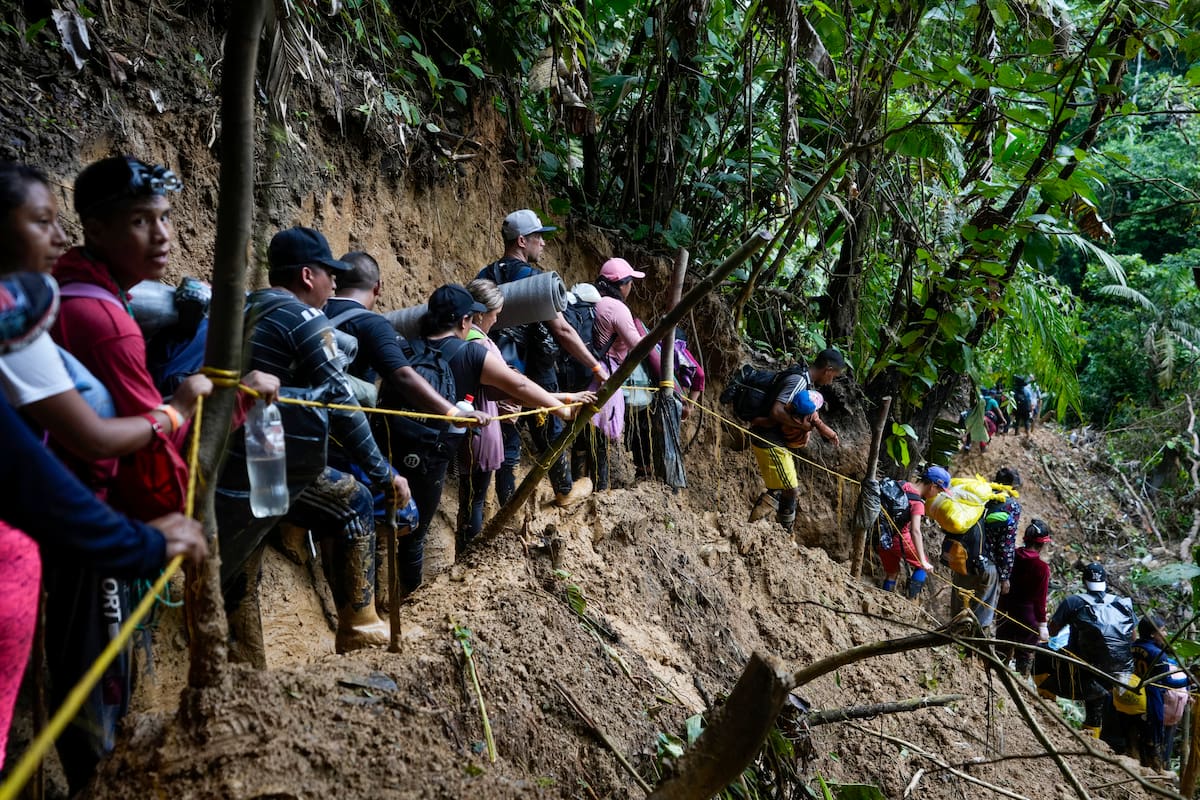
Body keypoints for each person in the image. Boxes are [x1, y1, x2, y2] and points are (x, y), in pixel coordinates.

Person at [0, 269, 207, 769]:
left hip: (82, 534)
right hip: (91, 535)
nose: (160, 233)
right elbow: (85, 443)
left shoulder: (53, 310)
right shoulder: (100, 320)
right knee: (97, 690)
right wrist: (176, 414)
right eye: (142, 219)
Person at [216, 226, 409, 664]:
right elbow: (341, 401)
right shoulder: (303, 319)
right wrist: (384, 475)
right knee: (353, 501)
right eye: (329, 274)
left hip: (224, 462)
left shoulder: (242, 310)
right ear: (307, 275)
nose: (334, 283)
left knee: (241, 565)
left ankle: (247, 669)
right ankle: (359, 625)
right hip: (273, 461)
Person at [374, 284, 594, 593]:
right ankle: (407, 599)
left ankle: (372, 596)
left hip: (387, 444)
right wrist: (560, 411)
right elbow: (516, 385)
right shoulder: (471, 352)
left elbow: (500, 392)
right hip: (429, 455)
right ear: (465, 321)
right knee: (415, 533)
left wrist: (562, 397)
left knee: (378, 520)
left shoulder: (408, 347)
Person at [477, 209, 608, 507]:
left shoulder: (485, 275)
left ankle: (504, 508)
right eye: (538, 237)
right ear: (522, 241)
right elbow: (562, 330)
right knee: (550, 426)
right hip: (533, 365)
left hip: (493, 364)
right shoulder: (534, 281)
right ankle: (563, 490)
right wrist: (595, 366)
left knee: (508, 435)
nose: (543, 243)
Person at [747, 349, 844, 531]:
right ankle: (781, 532)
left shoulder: (804, 381)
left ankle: (762, 531)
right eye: (834, 376)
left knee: (781, 488)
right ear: (828, 370)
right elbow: (776, 411)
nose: (831, 381)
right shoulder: (799, 381)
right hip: (769, 439)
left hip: (774, 439)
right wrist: (802, 427)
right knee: (790, 488)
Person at [1038, 563, 1136, 739]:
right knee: (1095, 706)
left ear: (1084, 581)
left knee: (1040, 653)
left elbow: (1052, 632)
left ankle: (1044, 704)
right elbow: (1133, 637)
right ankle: (1092, 740)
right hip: (1114, 672)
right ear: (1106, 582)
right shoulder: (1121, 603)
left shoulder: (1073, 602)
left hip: (1079, 667)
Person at [591, 257, 649, 482]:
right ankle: (600, 487)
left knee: (587, 434)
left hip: (588, 370)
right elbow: (638, 346)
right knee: (602, 436)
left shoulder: (593, 301)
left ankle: (586, 478)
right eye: (630, 283)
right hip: (606, 375)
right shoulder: (617, 308)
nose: (631, 287)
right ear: (622, 285)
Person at [877, 466, 947, 597]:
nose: (936, 495)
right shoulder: (917, 503)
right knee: (922, 565)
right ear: (932, 486)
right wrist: (922, 560)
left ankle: (884, 599)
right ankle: (911, 601)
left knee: (892, 572)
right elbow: (915, 531)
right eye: (939, 492)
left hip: (882, 535)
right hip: (899, 539)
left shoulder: (901, 484)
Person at [1132, 616, 1190, 769]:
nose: (1165, 634)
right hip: (1152, 698)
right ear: (1153, 634)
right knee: (1153, 735)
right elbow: (1168, 682)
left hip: (1133, 694)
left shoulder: (1134, 646)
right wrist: (1188, 681)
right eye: (1163, 630)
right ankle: (1155, 768)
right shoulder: (1158, 655)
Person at [996, 519, 1052, 675]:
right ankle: (1021, 682)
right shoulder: (1042, 568)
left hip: (1004, 610)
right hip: (1027, 617)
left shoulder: (1011, 554)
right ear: (1042, 545)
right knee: (1025, 654)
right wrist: (1042, 625)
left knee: (1001, 646)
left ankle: (996, 676)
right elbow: (1039, 601)